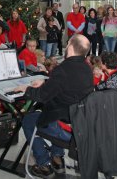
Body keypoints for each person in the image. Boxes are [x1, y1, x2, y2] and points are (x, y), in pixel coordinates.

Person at [17, 35, 93, 178]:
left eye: (68, 42)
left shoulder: (63, 69)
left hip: (63, 123)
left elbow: (42, 96)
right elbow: (67, 85)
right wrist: (46, 83)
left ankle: (43, 164)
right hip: (78, 121)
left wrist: (25, 88)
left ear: (70, 47)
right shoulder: (86, 68)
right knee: (55, 112)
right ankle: (57, 158)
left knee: (28, 120)